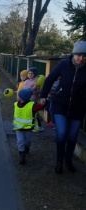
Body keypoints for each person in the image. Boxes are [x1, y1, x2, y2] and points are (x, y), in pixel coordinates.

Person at [40, 41, 86, 174]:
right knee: (61, 133)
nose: (81, 59)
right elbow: (49, 80)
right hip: (60, 104)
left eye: (85, 56)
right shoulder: (64, 65)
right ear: (73, 54)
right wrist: (43, 95)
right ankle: (59, 160)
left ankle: (68, 160)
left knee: (72, 136)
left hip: (78, 107)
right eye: (79, 55)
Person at [14, 89, 45, 165]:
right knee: (20, 141)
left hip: (28, 128)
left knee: (27, 141)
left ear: (22, 97)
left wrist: (43, 103)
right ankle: (22, 156)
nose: (17, 96)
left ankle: (27, 146)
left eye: (18, 95)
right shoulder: (16, 104)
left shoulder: (31, 105)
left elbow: (39, 107)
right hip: (18, 128)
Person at [23, 67, 43, 132]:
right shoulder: (26, 81)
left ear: (35, 74)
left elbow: (39, 91)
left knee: (34, 114)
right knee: (28, 113)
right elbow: (24, 90)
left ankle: (38, 126)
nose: (30, 75)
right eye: (29, 73)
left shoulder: (36, 81)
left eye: (32, 74)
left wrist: (35, 89)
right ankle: (29, 125)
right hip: (26, 100)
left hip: (33, 100)